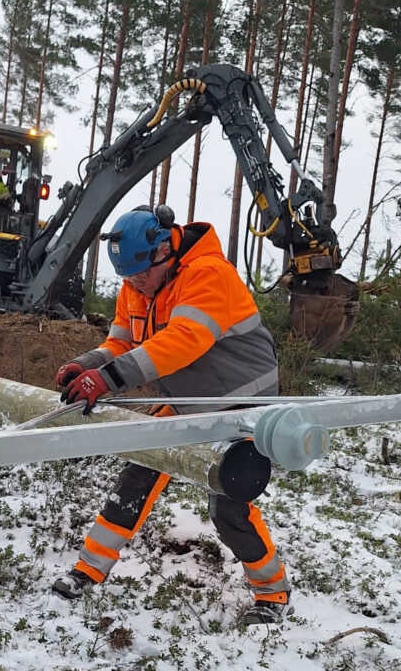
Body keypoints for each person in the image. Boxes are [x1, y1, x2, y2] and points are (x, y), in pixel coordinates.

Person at [51, 206, 292, 625]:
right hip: (189, 401)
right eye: (128, 278)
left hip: (241, 408)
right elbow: (122, 342)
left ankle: (273, 593)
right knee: (137, 475)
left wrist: (108, 379)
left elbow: (183, 340)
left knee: (229, 507)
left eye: (141, 275)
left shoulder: (208, 274)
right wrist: (86, 364)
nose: (135, 284)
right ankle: (88, 569)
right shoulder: (137, 285)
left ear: (164, 250)